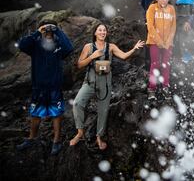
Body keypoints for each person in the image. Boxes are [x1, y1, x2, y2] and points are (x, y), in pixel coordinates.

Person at [69, 23, 145, 150]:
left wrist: (134, 48)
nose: (102, 32)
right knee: (77, 103)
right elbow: (80, 64)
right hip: (90, 82)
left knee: (103, 111)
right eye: (100, 30)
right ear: (95, 33)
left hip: (105, 83)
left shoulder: (111, 47)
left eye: (104, 30)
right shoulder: (88, 47)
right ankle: (80, 132)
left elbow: (124, 56)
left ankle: (99, 137)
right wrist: (92, 56)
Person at [17, 19, 74, 155]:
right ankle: (31, 139)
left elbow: (69, 48)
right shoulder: (35, 45)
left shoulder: (59, 44)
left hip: (55, 86)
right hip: (39, 87)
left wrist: (58, 30)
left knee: (56, 113)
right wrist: (38, 32)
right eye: (45, 28)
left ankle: (56, 141)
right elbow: (22, 45)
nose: (48, 31)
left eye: (50, 28)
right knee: (36, 113)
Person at [146, 0, 176, 100]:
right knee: (155, 64)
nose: (165, 0)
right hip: (154, 41)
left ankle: (165, 87)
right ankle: (152, 89)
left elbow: (173, 27)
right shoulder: (152, 8)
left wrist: (168, 42)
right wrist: (159, 41)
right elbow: (150, 26)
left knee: (166, 64)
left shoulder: (171, 9)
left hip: (168, 43)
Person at [141, 0, 169, 72]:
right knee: (152, 42)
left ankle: (162, 69)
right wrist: (152, 17)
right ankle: (149, 69)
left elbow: (167, 0)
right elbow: (145, 2)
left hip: (164, 17)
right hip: (152, 17)